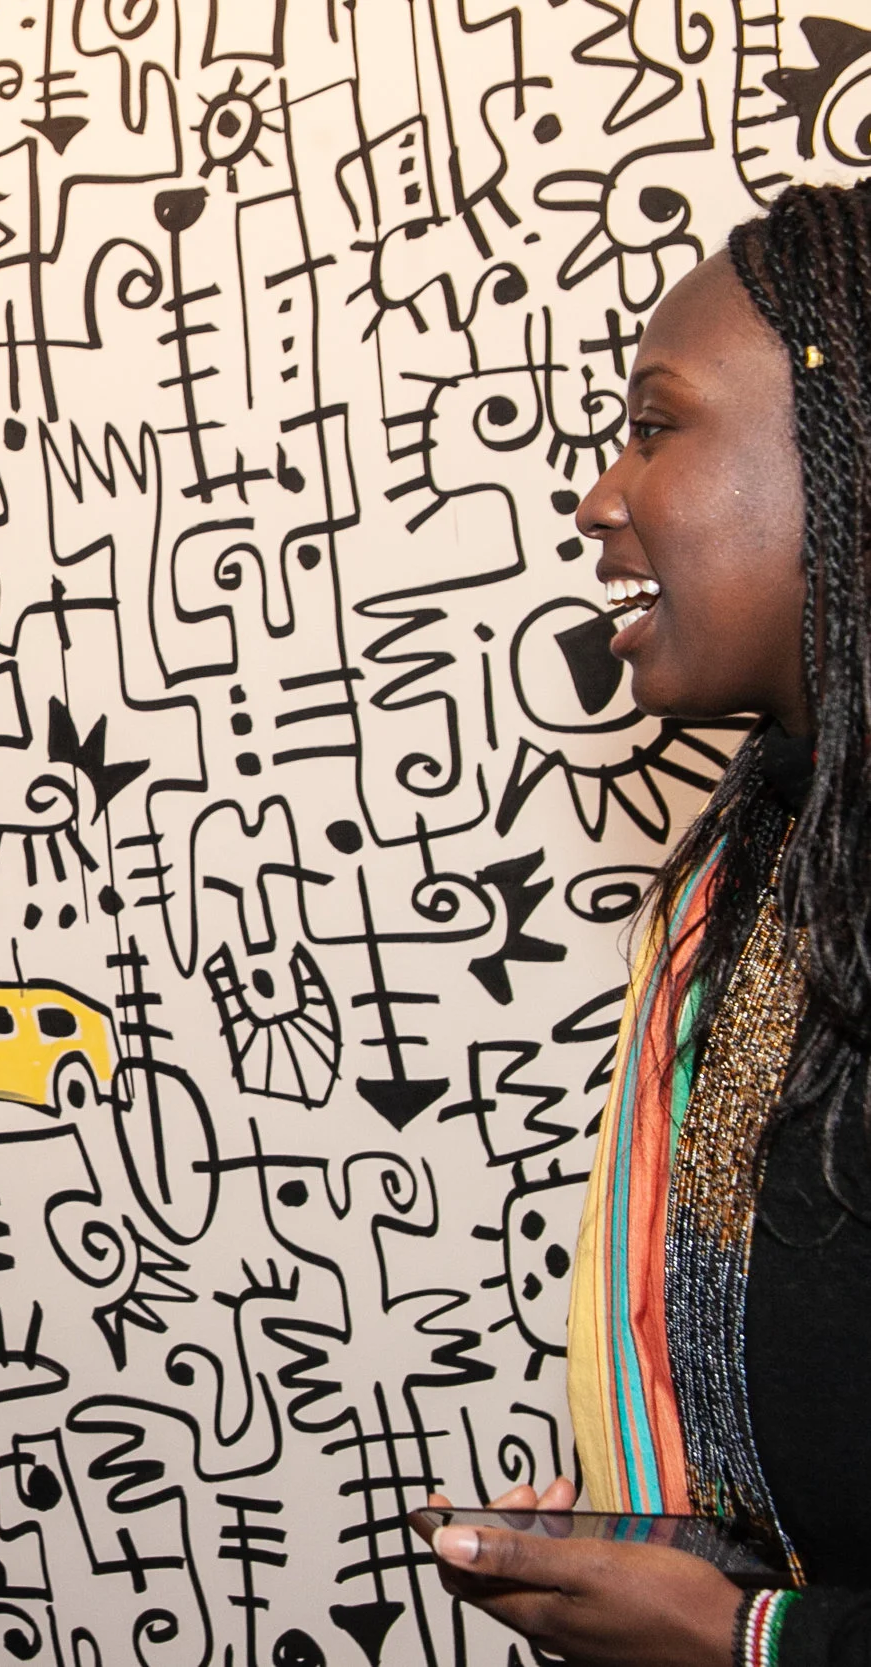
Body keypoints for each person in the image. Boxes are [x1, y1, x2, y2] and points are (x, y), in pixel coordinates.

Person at [427, 181, 871, 1665]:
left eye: (657, 424)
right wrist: (688, 1562)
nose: (599, 498)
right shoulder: (762, 868)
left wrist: (753, 1639)